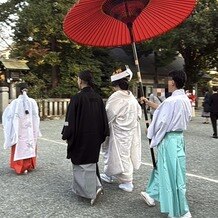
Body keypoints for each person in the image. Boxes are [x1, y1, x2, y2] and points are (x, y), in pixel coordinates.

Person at [140, 70, 192, 218]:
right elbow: (167, 111)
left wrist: (152, 134)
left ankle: (179, 210)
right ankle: (152, 192)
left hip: (168, 139)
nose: (167, 82)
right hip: (178, 138)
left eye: (168, 80)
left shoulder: (171, 101)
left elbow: (162, 122)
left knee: (171, 173)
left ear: (172, 82)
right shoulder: (185, 100)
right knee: (168, 169)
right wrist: (149, 103)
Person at [61, 70, 109, 205]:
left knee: (82, 163)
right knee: (91, 161)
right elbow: (103, 119)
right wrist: (103, 133)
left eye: (77, 79)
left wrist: (66, 132)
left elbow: (69, 119)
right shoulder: (98, 98)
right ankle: (97, 185)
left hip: (80, 136)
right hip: (95, 136)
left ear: (81, 81)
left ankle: (91, 191)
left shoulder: (77, 98)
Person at [100, 66, 142, 192]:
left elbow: (109, 113)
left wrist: (102, 125)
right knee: (119, 153)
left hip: (118, 130)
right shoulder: (131, 96)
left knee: (119, 154)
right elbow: (138, 113)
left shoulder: (116, 96)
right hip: (129, 129)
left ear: (116, 84)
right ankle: (109, 174)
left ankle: (128, 181)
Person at [2, 83, 41, 175]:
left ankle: (20, 167)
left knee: (19, 145)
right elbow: (36, 117)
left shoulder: (15, 103)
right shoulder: (32, 102)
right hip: (30, 130)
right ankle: (29, 165)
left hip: (18, 130)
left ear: (18, 91)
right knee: (29, 144)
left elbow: (8, 117)